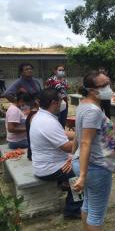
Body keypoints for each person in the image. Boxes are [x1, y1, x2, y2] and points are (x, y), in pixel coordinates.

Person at [72, 71, 115, 230]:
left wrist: (72, 156)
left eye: (109, 83)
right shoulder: (93, 111)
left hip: (85, 163)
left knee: (88, 204)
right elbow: (85, 141)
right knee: (96, 213)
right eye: (104, 85)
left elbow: (77, 136)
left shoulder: (83, 104)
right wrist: (83, 175)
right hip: (95, 166)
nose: (109, 87)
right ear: (92, 90)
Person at [30, 88, 82, 219]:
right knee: (82, 172)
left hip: (49, 162)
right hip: (49, 168)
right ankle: (73, 210)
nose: (63, 103)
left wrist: (80, 134)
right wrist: (85, 140)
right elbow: (67, 147)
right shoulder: (47, 122)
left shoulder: (42, 116)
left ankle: (68, 187)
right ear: (54, 102)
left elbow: (62, 134)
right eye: (61, 100)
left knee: (76, 162)